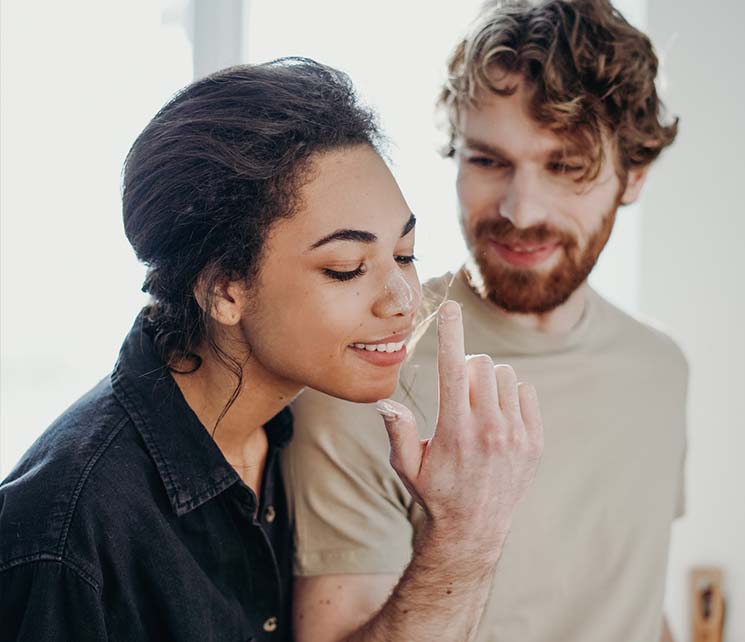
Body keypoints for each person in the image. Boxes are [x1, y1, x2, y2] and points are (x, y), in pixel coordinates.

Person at [0, 58, 543, 641]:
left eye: (405, 253)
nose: (404, 300)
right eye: (346, 268)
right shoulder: (65, 535)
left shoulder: (292, 427)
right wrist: (464, 541)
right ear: (223, 290)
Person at [284, 2, 687, 641]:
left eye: (565, 166)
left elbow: (630, 605)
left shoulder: (660, 369)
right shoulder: (366, 374)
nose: (520, 211)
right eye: (488, 160)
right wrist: (464, 534)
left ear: (633, 174)